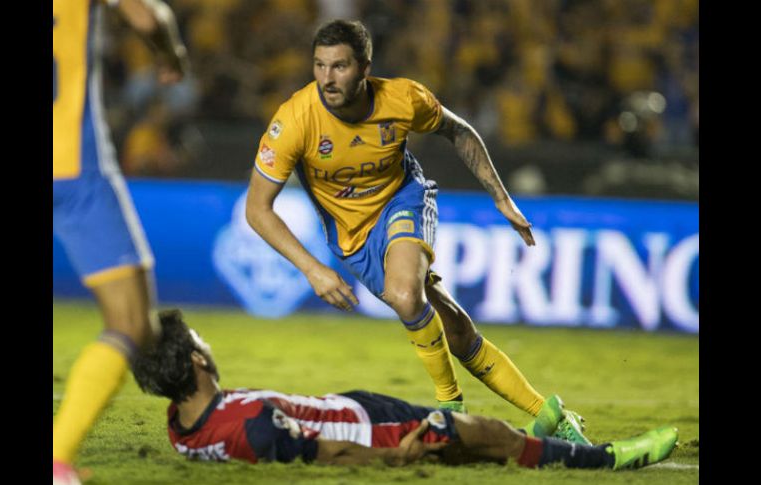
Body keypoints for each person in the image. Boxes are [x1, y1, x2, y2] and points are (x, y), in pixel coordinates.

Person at [244, 19, 587, 443]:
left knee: (405, 294)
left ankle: (450, 410)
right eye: (319, 65)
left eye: (340, 66)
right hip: (354, 238)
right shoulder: (295, 120)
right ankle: (553, 417)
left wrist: (502, 199)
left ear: (364, 68)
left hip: (402, 200)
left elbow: (458, 131)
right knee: (454, 328)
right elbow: (257, 209)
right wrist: (313, 269)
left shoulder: (403, 99)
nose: (327, 78)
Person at [131, 309, 678, 470]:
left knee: (477, 443)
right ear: (198, 359)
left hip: (352, 408)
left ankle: (532, 437)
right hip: (375, 429)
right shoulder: (250, 425)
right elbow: (327, 454)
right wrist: (395, 457)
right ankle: (606, 459)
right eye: (201, 340)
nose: (208, 343)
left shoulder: (183, 425)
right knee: (487, 435)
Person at [52, 1, 188, 484]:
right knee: (131, 323)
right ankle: (56, 461)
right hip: (70, 165)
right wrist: (170, 55)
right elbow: (148, 17)